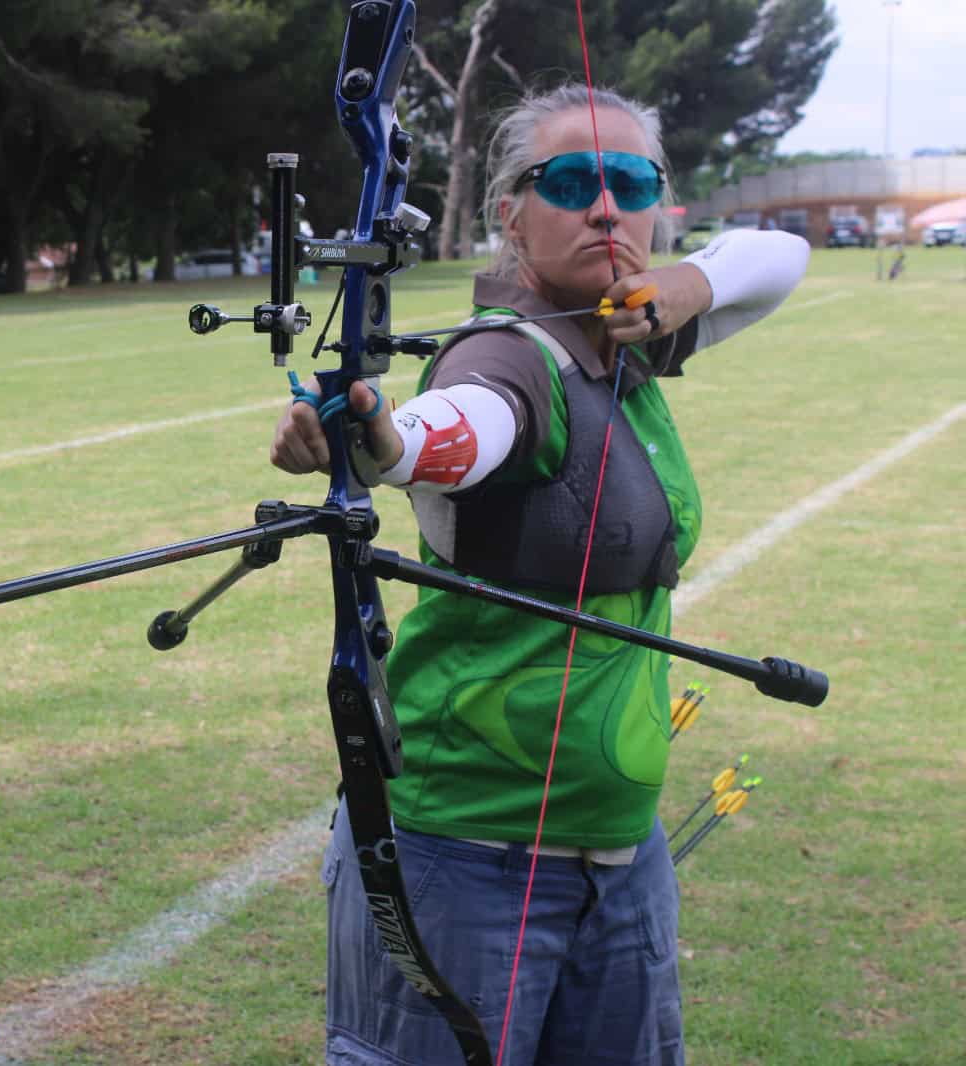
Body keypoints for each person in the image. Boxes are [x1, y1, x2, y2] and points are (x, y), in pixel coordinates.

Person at [270, 84, 810, 1066]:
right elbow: (462, 427)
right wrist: (383, 439)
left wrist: (681, 288)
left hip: (622, 857)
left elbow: (780, 257)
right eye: (568, 181)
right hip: (468, 861)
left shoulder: (624, 336)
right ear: (510, 214)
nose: (605, 206)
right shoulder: (508, 355)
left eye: (630, 181)